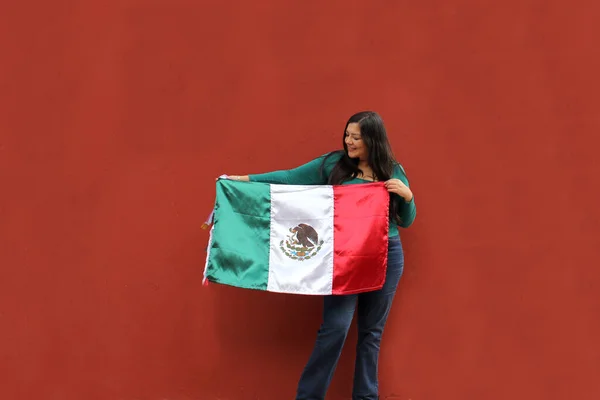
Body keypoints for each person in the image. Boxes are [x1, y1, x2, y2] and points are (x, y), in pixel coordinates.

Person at [226, 111, 416, 400]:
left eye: (356, 137)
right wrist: (242, 180)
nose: (348, 142)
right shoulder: (334, 164)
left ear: (373, 140)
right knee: (335, 328)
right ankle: (309, 396)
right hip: (345, 256)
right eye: (347, 135)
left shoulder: (392, 169)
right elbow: (290, 177)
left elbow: (406, 220)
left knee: (371, 333)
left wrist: (407, 196)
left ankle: (366, 397)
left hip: (386, 253)